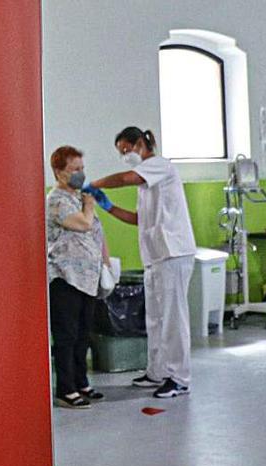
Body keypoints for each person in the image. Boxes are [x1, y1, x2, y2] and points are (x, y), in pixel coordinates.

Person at [85, 127, 197, 399]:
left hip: (174, 253)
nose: (125, 156)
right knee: (155, 319)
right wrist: (108, 207)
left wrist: (93, 185)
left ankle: (179, 377)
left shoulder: (159, 166)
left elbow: (127, 177)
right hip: (156, 256)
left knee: (172, 319)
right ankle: (156, 372)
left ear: (139, 144)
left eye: (126, 150)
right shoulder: (146, 183)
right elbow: (140, 219)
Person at [45, 146, 108, 409]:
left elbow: (96, 232)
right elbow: (82, 223)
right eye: (75, 170)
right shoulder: (57, 200)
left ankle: (82, 382)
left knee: (84, 333)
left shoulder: (79, 197)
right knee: (67, 334)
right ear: (59, 172)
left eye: (82, 168)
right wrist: (90, 204)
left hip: (88, 278)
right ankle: (66, 388)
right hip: (65, 277)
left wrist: (106, 263)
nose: (81, 174)